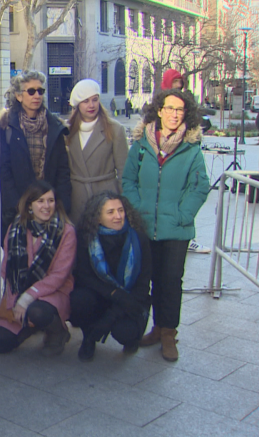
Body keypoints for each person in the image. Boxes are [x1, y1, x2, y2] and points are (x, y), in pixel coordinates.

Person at [122, 88, 210, 362]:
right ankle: (154, 328)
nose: (174, 114)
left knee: (170, 281)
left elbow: (199, 187)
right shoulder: (140, 146)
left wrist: (183, 215)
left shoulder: (191, 149)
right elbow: (128, 182)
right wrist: (138, 211)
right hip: (146, 225)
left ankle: (169, 332)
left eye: (180, 110)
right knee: (146, 279)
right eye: (169, 108)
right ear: (159, 111)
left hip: (176, 229)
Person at [0, 181, 76, 356]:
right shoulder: (15, 228)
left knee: (37, 312)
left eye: (51, 201)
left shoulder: (66, 231)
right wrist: (16, 300)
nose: (47, 206)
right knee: (1, 343)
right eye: (40, 201)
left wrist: (26, 299)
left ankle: (57, 331)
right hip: (20, 291)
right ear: (30, 205)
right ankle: (29, 325)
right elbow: (8, 270)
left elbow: (59, 276)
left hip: (53, 292)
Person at [69, 192, 152, 361]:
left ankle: (132, 340)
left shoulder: (139, 239)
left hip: (131, 299)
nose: (118, 216)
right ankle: (89, 338)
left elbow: (143, 286)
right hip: (101, 295)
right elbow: (84, 277)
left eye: (121, 210)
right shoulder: (87, 238)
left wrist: (110, 318)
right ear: (97, 217)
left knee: (125, 332)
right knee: (79, 299)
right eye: (111, 212)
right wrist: (113, 294)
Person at [0, 70, 71, 241]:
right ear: (19, 96)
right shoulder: (8, 126)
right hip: (20, 208)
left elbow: (63, 169)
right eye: (31, 91)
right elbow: (5, 170)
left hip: (49, 207)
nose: (36, 95)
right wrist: (18, 206)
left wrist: (62, 206)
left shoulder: (54, 125)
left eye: (40, 91)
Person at [161, 69, 212, 254]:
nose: (178, 87)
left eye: (180, 84)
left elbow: (200, 185)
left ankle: (189, 237)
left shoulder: (187, 106)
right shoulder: (158, 109)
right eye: (175, 83)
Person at [65, 79, 129, 224]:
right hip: (77, 198)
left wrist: (121, 204)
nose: (91, 105)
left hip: (106, 197)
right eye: (85, 101)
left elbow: (123, 170)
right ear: (77, 104)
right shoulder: (66, 131)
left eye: (95, 99)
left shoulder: (115, 129)